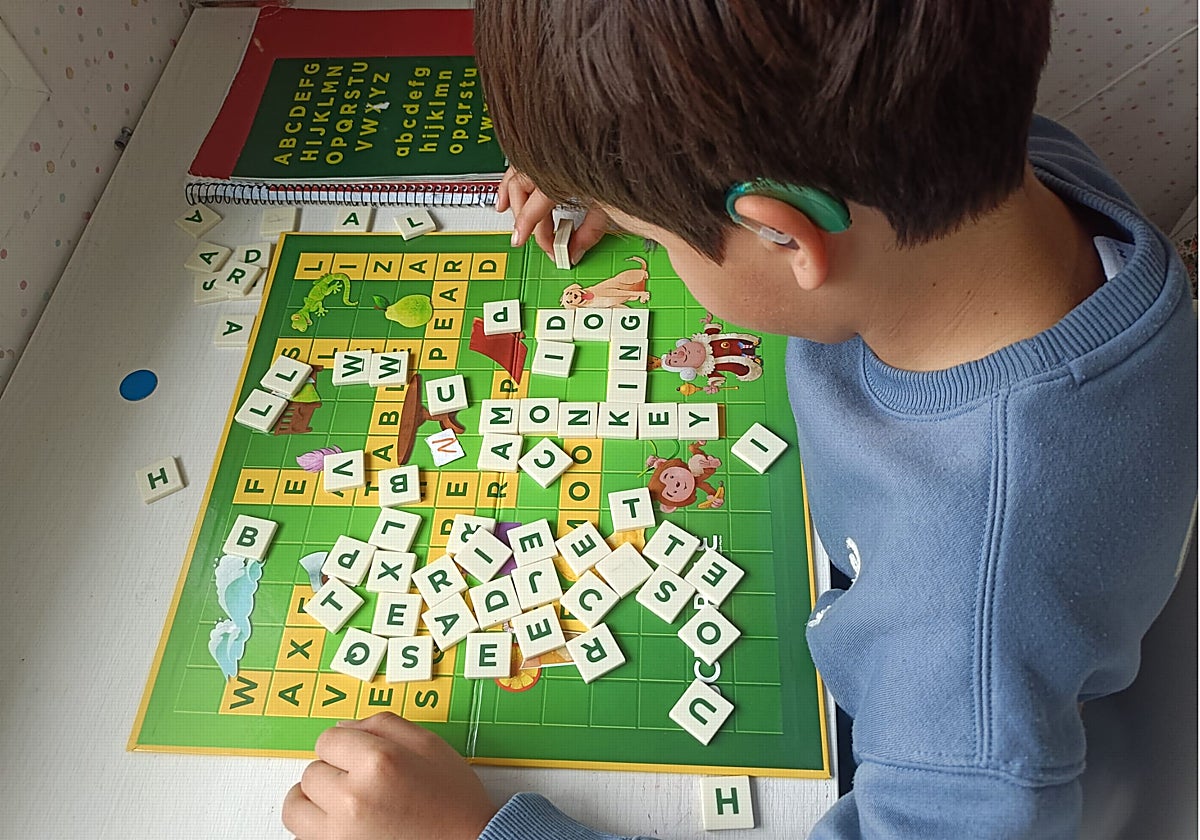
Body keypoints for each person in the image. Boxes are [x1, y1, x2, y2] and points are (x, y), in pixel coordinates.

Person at [281, 3, 1198, 838]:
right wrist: (640, 168)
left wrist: (470, 838)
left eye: (657, 239)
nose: (648, 242)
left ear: (785, 237)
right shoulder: (1008, 167)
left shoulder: (965, 636)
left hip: (966, 742)